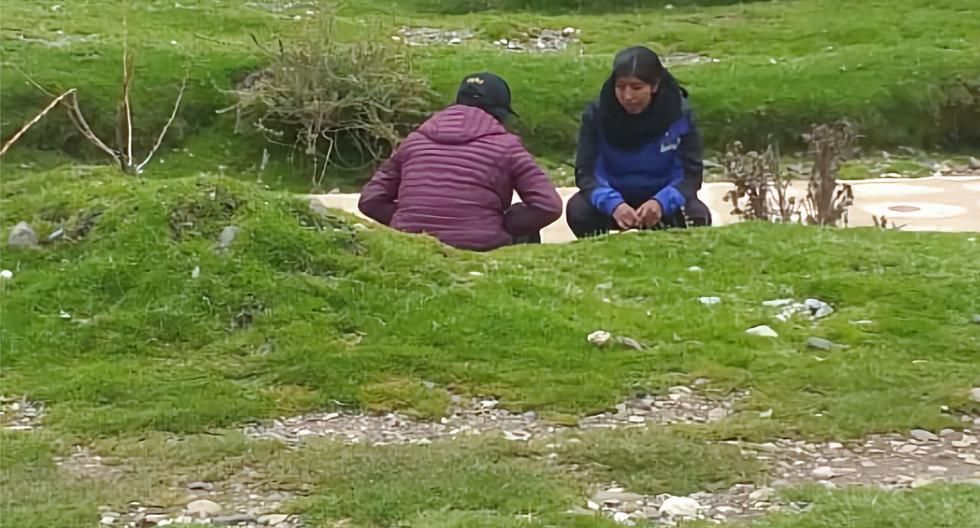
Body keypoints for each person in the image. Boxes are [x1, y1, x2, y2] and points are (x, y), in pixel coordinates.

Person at [358, 73, 562, 251]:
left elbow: (370, 200)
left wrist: (405, 219)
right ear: (500, 113)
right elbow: (547, 206)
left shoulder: (415, 141)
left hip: (413, 243)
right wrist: (504, 224)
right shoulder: (507, 146)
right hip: (480, 246)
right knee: (528, 223)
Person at [567, 46, 712, 238]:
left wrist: (661, 203)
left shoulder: (678, 115)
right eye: (620, 87)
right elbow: (587, 173)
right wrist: (614, 205)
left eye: (636, 88)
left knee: (697, 215)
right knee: (578, 210)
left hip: (661, 199)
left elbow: (690, 175)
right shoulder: (598, 115)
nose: (627, 96)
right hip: (614, 199)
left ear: (654, 86)